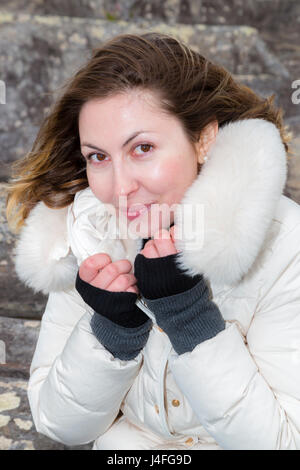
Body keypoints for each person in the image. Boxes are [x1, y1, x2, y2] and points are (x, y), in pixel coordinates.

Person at [5, 32, 300, 450]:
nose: (120, 187)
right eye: (98, 157)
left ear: (203, 140)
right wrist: (112, 330)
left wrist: (190, 318)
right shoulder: (92, 233)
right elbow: (61, 424)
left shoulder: (286, 246)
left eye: (142, 147)